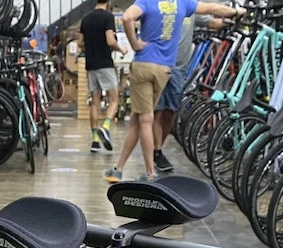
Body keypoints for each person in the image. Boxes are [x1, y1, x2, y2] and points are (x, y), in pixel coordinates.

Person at [104, 0, 242, 182]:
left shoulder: (147, 1)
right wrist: (237, 12)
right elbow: (211, 8)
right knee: (138, 119)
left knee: (145, 119)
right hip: (165, 68)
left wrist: (135, 44)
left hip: (144, 64)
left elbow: (127, 17)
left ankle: (150, 173)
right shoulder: (183, 3)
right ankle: (118, 168)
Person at [153, 14, 232, 173]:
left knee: (170, 112)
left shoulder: (189, 10)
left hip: (179, 69)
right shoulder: (161, 7)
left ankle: (158, 148)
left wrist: (231, 19)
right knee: (157, 111)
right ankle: (157, 151)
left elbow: (212, 22)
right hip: (159, 65)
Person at [80, 0, 129, 152]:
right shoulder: (108, 17)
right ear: (108, 1)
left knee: (94, 103)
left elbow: (81, 43)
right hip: (105, 64)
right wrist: (121, 49)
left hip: (90, 65)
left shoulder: (86, 18)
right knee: (114, 100)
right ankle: (105, 127)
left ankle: (95, 142)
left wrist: (92, 44)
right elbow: (110, 41)